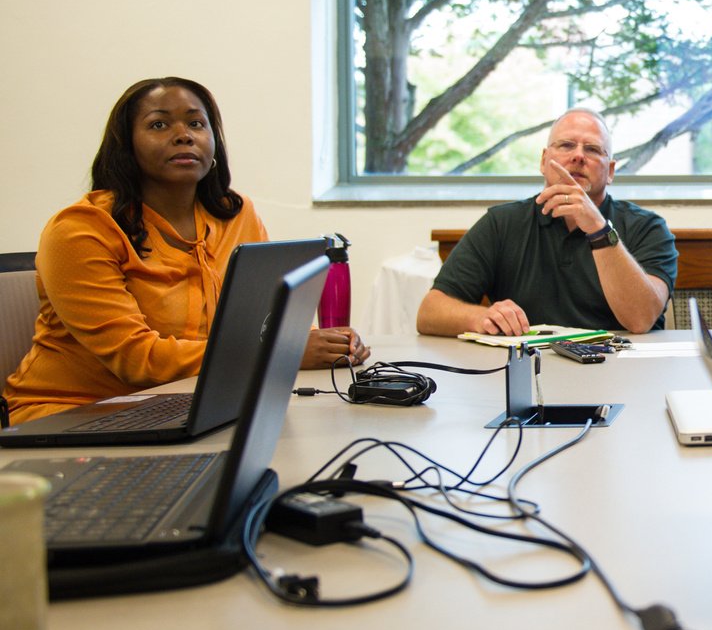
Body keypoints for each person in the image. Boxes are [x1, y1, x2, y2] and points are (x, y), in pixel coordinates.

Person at [3, 78, 369, 424]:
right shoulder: (81, 230)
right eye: (159, 125)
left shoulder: (236, 213)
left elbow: (265, 317)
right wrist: (281, 351)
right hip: (75, 413)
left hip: (193, 400)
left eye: (196, 123)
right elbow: (137, 360)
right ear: (126, 145)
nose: (183, 136)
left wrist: (316, 342)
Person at [417, 108, 677, 336]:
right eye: (565, 145)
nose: (578, 156)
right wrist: (481, 317)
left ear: (610, 172)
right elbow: (430, 313)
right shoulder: (501, 224)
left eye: (592, 149)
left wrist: (599, 229)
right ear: (544, 161)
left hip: (623, 372)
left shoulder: (648, 227)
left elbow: (641, 319)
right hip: (531, 368)